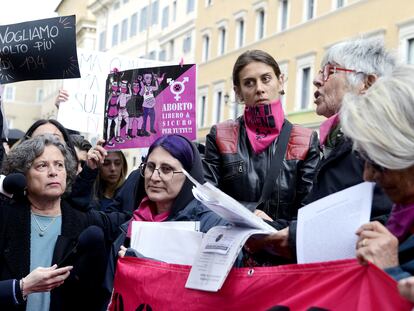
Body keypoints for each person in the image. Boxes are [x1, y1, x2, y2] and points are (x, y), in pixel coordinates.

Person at [245, 38, 396, 261]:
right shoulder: (339, 142)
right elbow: (320, 217)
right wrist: (268, 227)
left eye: (328, 71)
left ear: (367, 83)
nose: (316, 81)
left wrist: (292, 236)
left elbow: (389, 225)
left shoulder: (380, 142)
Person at [0, 134, 127, 310]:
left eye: (59, 165)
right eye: (42, 165)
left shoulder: (85, 221)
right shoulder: (6, 217)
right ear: (23, 176)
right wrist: (21, 287)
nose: (53, 172)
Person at [103, 134, 227, 302]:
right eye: (150, 166)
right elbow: (110, 296)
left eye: (166, 169)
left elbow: (219, 294)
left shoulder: (214, 228)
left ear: (189, 175)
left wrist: (147, 267)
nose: (154, 177)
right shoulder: (128, 229)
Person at [203, 49, 320, 225]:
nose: (259, 89)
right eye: (249, 83)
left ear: (280, 82)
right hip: (235, 246)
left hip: (281, 246)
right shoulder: (220, 136)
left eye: (266, 79)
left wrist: (275, 230)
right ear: (238, 92)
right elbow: (207, 202)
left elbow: (309, 212)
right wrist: (251, 213)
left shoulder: (305, 139)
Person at [339, 65, 414, 282]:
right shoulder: (401, 215)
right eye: (364, 160)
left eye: (378, 162)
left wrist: (390, 272)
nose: (368, 176)